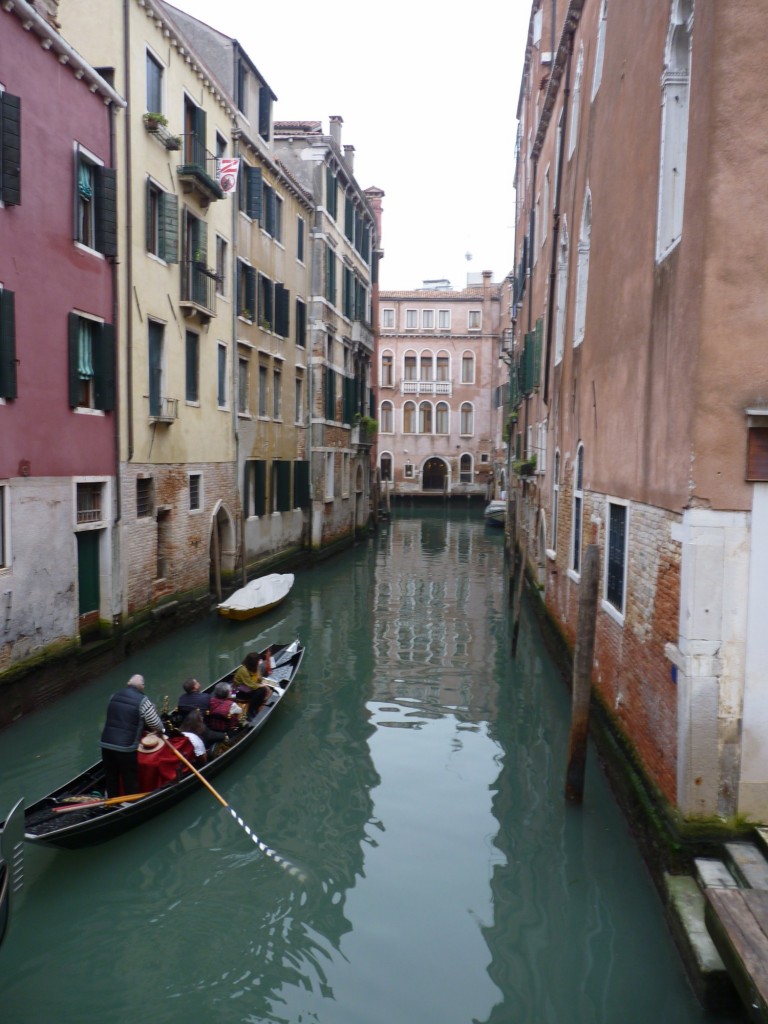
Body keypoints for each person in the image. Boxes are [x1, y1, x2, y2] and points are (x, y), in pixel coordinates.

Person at [100, 674, 164, 798]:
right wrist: (162, 730)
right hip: (126, 747)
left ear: (128, 683)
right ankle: (131, 803)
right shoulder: (143, 701)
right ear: (142, 687)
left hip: (106, 744)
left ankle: (112, 802)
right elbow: (155, 723)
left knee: (111, 777)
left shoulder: (113, 696)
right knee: (130, 779)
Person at [232, 651, 271, 720]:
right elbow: (251, 685)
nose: (259, 662)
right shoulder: (243, 670)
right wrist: (262, 686)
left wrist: (263, 683)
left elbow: (259, 679)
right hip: (238, 691)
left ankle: (255, 707)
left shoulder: (255, 668)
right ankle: (250, 711)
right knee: (261, 690)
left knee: (263, 690)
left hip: (248, 688)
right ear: (253, 663)